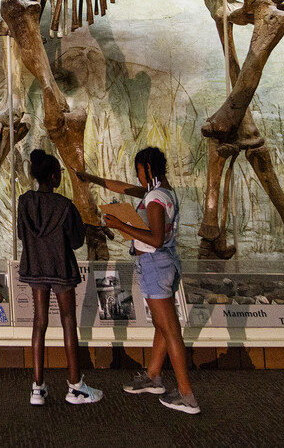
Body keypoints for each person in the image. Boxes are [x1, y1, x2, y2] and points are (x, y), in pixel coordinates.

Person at [76, 146, 200, 414]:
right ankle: (153, 376)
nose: (138, 176)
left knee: (170, 329)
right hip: (164, 262)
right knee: (162, 324)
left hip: (156, 264)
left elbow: (155, 239)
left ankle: (187, 395)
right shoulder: (163, 192)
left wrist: (120, 225)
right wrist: (92, 179)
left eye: (139, 171)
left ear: (148, 168)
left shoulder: (154, 198)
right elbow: (124, 189)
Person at [18, 149, 102, 406]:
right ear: (55, 177)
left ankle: (37, 387)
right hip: (61, 269)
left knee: (39, 321)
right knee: (68, 321)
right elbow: (76, 242)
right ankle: (75, 386)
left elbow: (22, 235)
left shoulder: (24, 201)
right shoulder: (66, 206)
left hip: (35, 267)